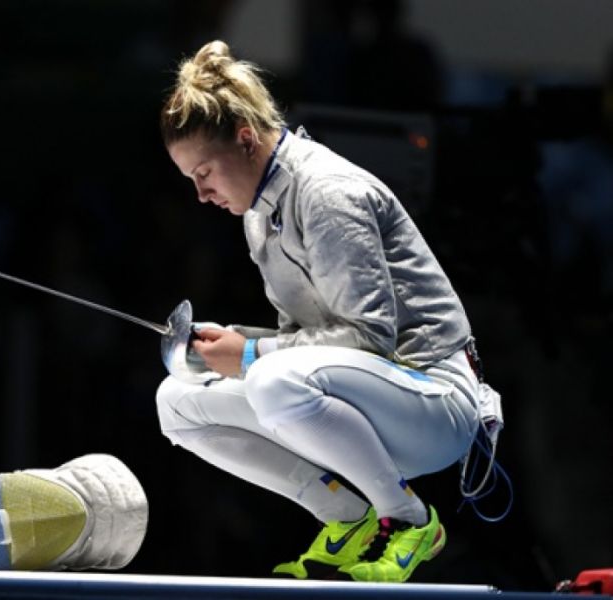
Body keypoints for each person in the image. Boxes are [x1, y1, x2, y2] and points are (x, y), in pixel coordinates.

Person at [155, 40, 492, 583]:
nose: (201, 193)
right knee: (178, 402)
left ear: (246, 139)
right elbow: (312, 339)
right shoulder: (259, 213)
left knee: (270, 378)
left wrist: (251, 353)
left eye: (205, 172)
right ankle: (348, 518)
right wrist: (235, 342)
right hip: (369, 401)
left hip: (433, 402)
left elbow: (370, 338)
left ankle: (409, 519)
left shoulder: (326, 193)